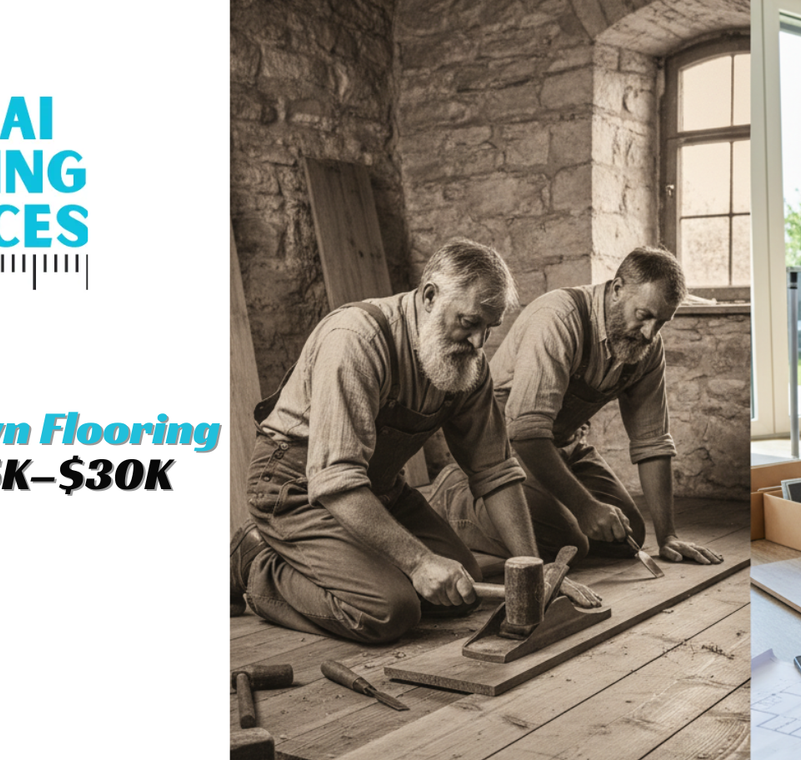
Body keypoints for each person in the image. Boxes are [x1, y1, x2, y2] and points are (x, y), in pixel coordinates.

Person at [230, 238, 601, 644]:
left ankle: (350, 563)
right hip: (295, 490)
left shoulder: (466, 362)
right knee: (390, 609)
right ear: (429, 296)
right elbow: (334, 479)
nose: (479, 343)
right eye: (469, 322)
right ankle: (254, 560)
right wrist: (419, 562)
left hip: (377, 489)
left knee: (461, 590)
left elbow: (494, 469)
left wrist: (532, 567)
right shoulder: (356, 339)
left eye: (489, 329)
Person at [429, 246, 723, 567]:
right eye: (644, 316)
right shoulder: (558, 319)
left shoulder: (647, 346)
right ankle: (454, 497)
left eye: (662, 322)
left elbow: (652, 441)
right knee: (569, 540)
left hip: (565, 448)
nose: (650, 332)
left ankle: (550, 513)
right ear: (617, 290)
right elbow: (525, 432)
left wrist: (667, 536)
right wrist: (584, 508)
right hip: (505, 453)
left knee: (629, 535)